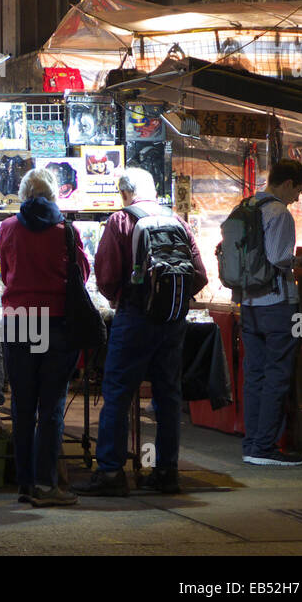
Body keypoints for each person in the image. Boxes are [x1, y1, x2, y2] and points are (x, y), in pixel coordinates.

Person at [75, 167, 208, 497]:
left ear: (124, 193)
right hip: (174, 320)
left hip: (134, 317)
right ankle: (167, 471)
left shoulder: (121, 221)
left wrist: (123, 298)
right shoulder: (177, 221)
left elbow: (105, 276)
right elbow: (200, 275)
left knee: (118, 392)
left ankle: (110, 473)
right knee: (168, 395)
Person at [0, 167, 88, 507]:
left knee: (22, 406)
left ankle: (24, 484)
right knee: (51, 406)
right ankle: (46, 484)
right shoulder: (67, 230)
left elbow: (6, 271)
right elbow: (82, 272)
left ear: (23, 193)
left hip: (19, 320)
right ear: (53, 194)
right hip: (57, 322)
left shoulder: (8, 227)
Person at [240, 159, 302, 467]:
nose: (297, 198)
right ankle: (264, 446)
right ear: (287, 183)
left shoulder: (246, 207)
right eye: (298, 191)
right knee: (277, 375)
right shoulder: (279, 213)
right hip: (278, 305)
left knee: (254, 375)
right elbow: (279, 258)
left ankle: (251, 444)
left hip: (248, 304)